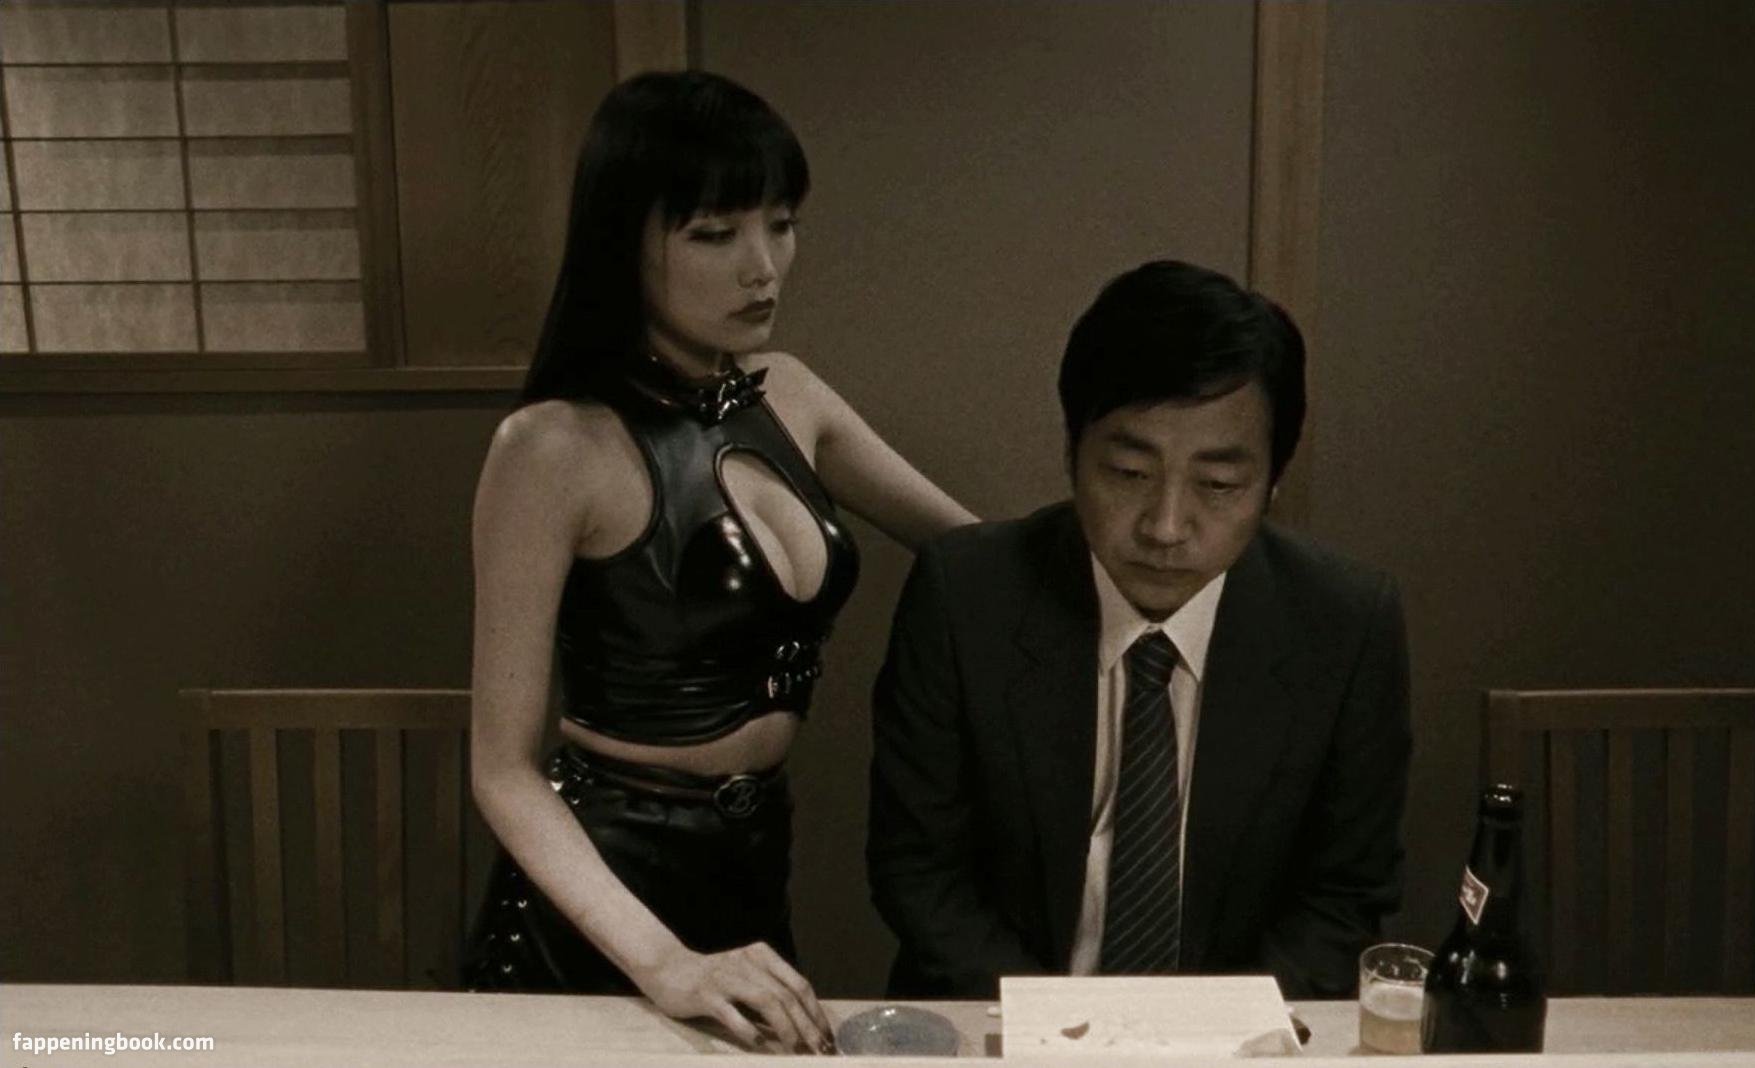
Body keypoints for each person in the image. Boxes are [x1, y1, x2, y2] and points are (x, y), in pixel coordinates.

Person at [463, 71, 972, 1053]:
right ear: (623, 240)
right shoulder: (551, 448)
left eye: (781, 225)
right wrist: (667, 964)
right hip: (600, 905)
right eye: (714, 233)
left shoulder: (791, 392)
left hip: (750, 873)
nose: (763, 267)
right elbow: (504, 771)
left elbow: (970, 550)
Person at [867, 259, 1410, 999]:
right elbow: (919, 874)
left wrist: (1206, 1034)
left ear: (1272, 482)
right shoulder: (965, 594)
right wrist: (1062, 1030)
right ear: (1071, 453)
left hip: (1237, 1036)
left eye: (1219, 484)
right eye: (1128, 473)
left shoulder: (1345, 624)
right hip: (1003, 1019)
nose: (1166, 526)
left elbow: (1345, 897)